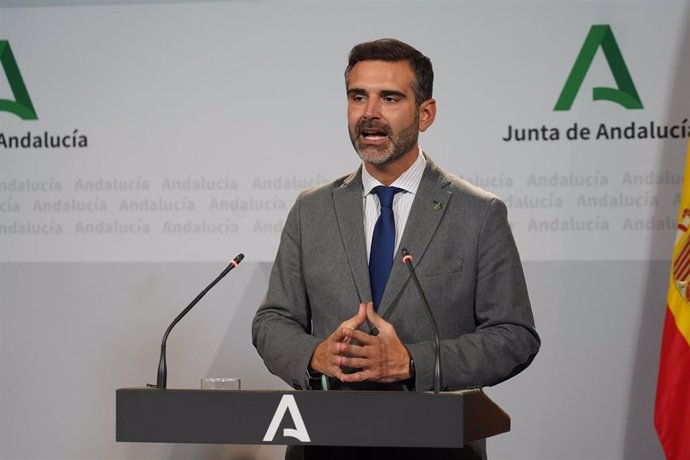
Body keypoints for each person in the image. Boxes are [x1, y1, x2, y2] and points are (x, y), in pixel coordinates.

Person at [252, 38, 540, 460]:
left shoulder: (478, 213)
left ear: (425, 114)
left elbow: (514, 336)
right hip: (325, 446)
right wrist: (314, 355)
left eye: (389, 98)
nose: (369, 113)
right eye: (357, 97)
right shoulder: (310, 209)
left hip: (436, 446)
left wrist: (411, 363)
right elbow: (272, 321)